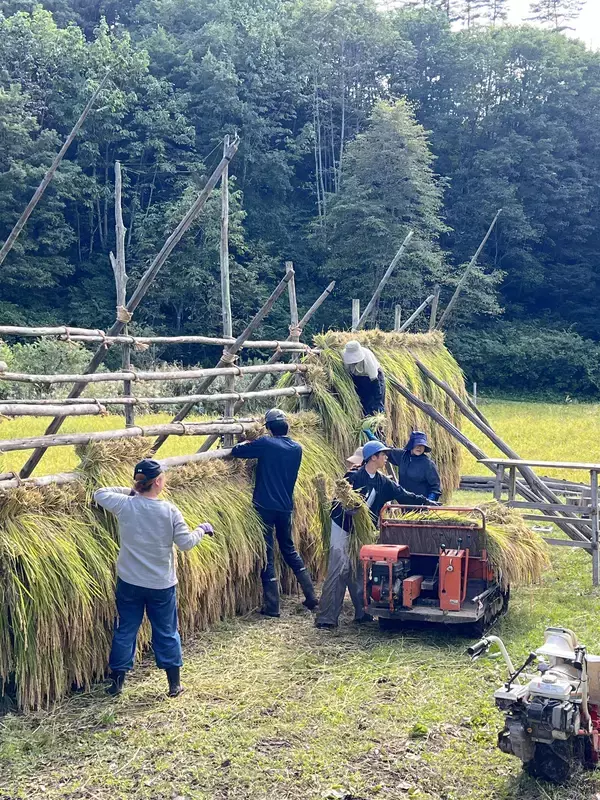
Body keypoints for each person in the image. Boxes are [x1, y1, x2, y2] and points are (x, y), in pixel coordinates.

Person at [94, 459, 214, 698]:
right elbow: (186, 543)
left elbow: (99, 493)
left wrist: (131, 491)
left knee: (126, 629)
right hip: (161, 585)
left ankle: (116, 685)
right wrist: (202, 529)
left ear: (139, 483)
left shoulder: (125, 505)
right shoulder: (169, 511)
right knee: (166, 631)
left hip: (129, 582)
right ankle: (173, 685)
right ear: (158, 482)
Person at [315, 440, 433, 630]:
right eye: (383, 455)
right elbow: (338, 502)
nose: (386, 458)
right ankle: (327, 617)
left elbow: (404, 495)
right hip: (342, 527)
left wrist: (428, 503)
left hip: (363, 532)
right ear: (373, 458)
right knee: (339, 569)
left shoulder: (383, 482)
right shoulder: (352, 478)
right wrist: (348, 510)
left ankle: (362, 613)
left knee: (360, 571)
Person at [230, 408, 318, 618]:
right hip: (285, 507)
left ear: (268, 428)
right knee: (289, 549)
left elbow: (237, 452)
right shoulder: (297, 448)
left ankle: (272, 607)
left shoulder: (266, 443)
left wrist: (244, 441)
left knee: (267, 553)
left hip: (264, 507)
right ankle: (312, 596)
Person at [388, 431, 442, 502]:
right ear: (411, 444)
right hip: (404, 504)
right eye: (417, 444)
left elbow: (435, 488)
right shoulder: (402, 456)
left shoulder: (428, 464)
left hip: (421, 507)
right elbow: (385, 451)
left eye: (422, 445)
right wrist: (370, 433)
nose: (419, 447)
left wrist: (428, 502)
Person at [342, 340, 386, 416]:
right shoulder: (343, 355)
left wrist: (378, 400)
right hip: (358, 379)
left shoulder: (367, 359)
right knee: (364, 403)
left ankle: (376, 421)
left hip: (374, 379)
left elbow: (375, 382)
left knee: (375, 404)